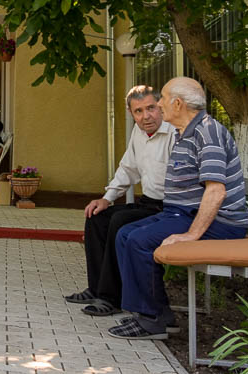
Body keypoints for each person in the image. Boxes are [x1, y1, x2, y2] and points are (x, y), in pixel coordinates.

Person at [109, 77, 248, 340]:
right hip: (183, 213)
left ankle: (152, 321)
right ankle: (156, 315)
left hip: (218, 222)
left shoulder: (208, 132)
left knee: (139, 241)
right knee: (125, 233)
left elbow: (216, 190)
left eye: (161, 98)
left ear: (178, 103)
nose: (159, 104)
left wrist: (191, 235)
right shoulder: (186, 133)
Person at [64, 86, 174, 318]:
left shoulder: (174, 133)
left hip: (171, 209)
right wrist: (106, 199)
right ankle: (96, 289)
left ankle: (110, 298)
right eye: (138, 111)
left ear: (160, 106)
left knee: (120, 221)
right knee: (97, 217)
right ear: (131, 113)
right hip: (149, 203)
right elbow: (128, 169)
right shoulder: (139, 132)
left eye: (151, 108)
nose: (146, 116)